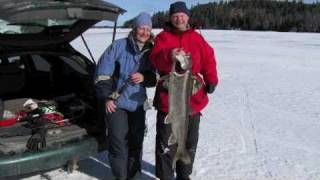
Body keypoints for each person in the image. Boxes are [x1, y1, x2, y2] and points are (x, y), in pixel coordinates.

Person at [149, 1, 219, 180]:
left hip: (193, 102)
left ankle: (184, 175)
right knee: (165, 144)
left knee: (189, 143)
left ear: (188, 17)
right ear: (171, 18)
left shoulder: (197, 38)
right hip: (168, 102)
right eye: (175, 16)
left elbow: (208, 58)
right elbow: (155, 58)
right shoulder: (163, 38)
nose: (179, 19)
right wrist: (169, 55)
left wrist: (211, 79)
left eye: (182, 15)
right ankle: (165, 176)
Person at [95, 12, 156, 180]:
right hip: (116, 103)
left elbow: (156, 76)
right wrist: (107, 97)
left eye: (147, 29)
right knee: (118, 142)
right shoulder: (118, 46)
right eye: (141, 28)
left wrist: (145, 77)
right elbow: (102, 74)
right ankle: (120, 177)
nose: (144, 32)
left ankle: (134, 175)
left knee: (136, 142)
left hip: (137, 103)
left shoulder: (152, 50)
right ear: (134, 28)